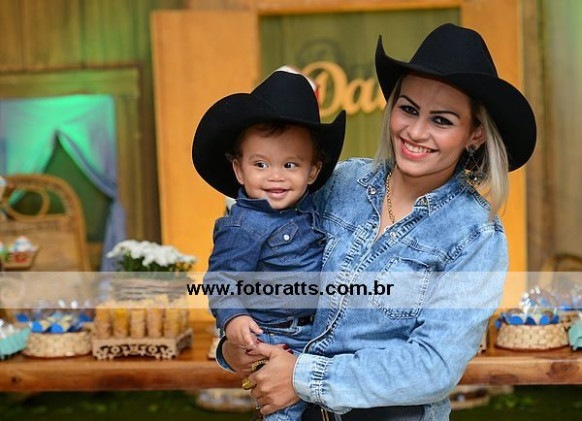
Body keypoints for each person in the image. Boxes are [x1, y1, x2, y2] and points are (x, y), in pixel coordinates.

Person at [217, 23, 537, 421]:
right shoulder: (338, 185)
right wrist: (233, 342)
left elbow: (433, 367)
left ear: (474, 134)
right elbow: (257, 265)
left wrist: (302, 377)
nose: (415, 131)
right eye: (408, 109)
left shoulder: (476, 235)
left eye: (441, 120)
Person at [192, 69, 346, 421]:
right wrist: (234, 317)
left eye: (290, 164)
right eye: (260, 164)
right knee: (282, 411)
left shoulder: (307, 207)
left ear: (312, 171)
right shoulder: (243, 226)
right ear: (239, 170)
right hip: (275, 338)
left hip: (317, 334)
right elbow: (221, 279)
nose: (276, 176)